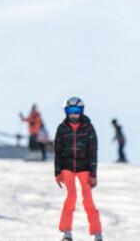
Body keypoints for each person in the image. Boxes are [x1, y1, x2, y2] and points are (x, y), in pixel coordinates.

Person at [54, 97, 102, 241]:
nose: (73, 114)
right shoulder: (62, 128)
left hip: (84, 166)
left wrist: (93, 173)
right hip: (67, 166)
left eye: (76, 111)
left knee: (88, 199)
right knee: (71, 196)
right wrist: (57, 172)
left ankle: (96, 232)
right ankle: (66, 232)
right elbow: (58, 151)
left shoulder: (88, 127)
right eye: (70, 111)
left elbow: (93, 151)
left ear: (81, 111)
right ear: (66, 112)